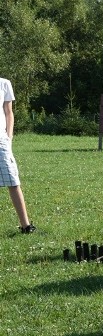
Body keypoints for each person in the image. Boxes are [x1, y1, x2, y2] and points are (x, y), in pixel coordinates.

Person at [0, 77, 35, 234]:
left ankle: (26, 226)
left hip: (1, 140)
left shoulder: (4, 84)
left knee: (13, 180)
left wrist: (9, 137)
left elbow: (9, 112)